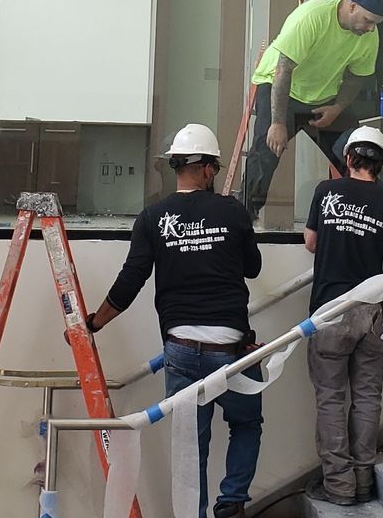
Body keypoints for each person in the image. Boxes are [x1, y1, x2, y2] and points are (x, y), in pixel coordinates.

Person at [86, 124, 262, 518]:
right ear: (208, 170)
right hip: (231, 349)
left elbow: (131, 279)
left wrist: (95, 323)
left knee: (190, 447)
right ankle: (232, 501)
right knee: (246, 424)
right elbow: (253, 268)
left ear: (178, 166)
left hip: (180, 350)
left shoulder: (153, 218)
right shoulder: (232, 211)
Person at [303, 126, 383, 506]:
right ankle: (364, 481)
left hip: (330, 309)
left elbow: (310, 242)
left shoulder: (325, 192)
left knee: (330, 398)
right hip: (372, 309)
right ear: (380, 163)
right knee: (366, 397)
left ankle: (339, 486)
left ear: (348, 158)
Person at [241, 0, 383, 217]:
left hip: (323, 97)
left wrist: (338, 108)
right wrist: (277, 123)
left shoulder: (369, 36)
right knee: (266, 151)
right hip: (280, 86)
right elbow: (283, 69)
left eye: (376, 23)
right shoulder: (312, 16)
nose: (371, 28)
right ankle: (246, 213)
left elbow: (356, 77)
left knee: (358, 149)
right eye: (368, 20)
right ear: (351, 6)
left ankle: (369, 212)